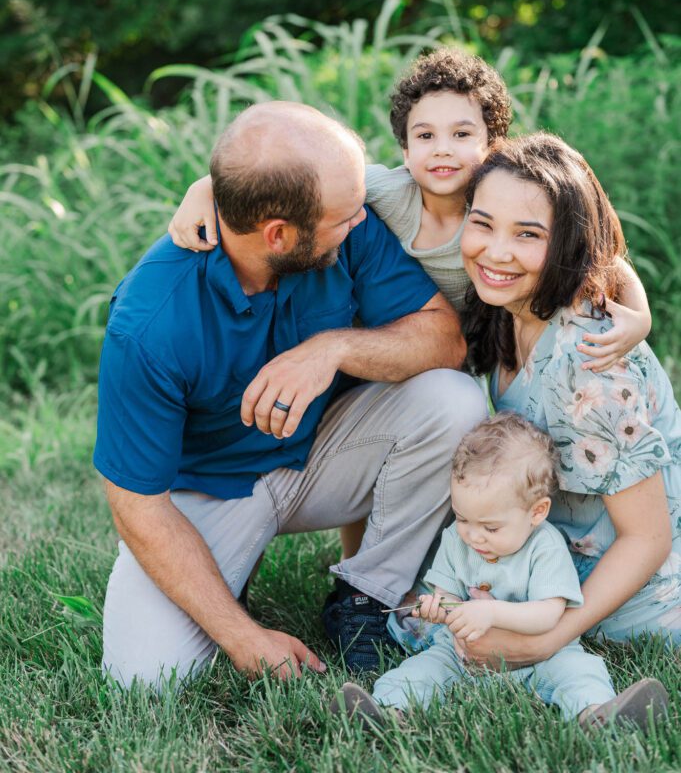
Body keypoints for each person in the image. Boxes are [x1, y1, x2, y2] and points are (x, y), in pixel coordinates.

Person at [168, 48, 653, 564]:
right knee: (378, 462)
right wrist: (207, 191)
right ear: (404, 148)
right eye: (425, 136)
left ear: (493, 145)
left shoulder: (500, 199)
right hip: (383, 345)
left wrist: (640, 315)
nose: (443, 150)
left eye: (462, 135)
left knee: (459, 446)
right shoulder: (383, 191)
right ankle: (356, 573)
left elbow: (600, 255)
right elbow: (284, 184)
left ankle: (450, 550)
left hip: (467, 347)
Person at [94, 100, 489, 689]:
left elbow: (443, 339)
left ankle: (365, 597)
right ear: (278, 234)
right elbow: (137, 505)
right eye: (345, 216)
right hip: (210, 493)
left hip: (325, 458)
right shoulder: (149, 325)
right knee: (144, 677)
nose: (360, 222)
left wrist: (330, 348)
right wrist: (242, 636)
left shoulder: (345, 227)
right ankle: (229, 573)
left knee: (454, 400)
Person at [449, 131, 681, 672]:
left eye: (527, 235)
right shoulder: (507, 311)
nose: (496, 251)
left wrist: (548, 638)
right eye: (482, 223)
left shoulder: (586, 359)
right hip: (550, 556)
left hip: (637, 593)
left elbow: (647, 538)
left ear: (567, 246)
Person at [332, 413, 668, 730]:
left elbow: (549, 614)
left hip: (541, 654)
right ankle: (388, 711)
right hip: (463, 654)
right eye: (462, 518)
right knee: (421, 670)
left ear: (536, 512)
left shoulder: (546, 546)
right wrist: (440, 608)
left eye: (490, 527)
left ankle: (596, 714)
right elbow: (447, 595)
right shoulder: (456, 539)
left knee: (579, 670)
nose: (473, 535)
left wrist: (490, 612)